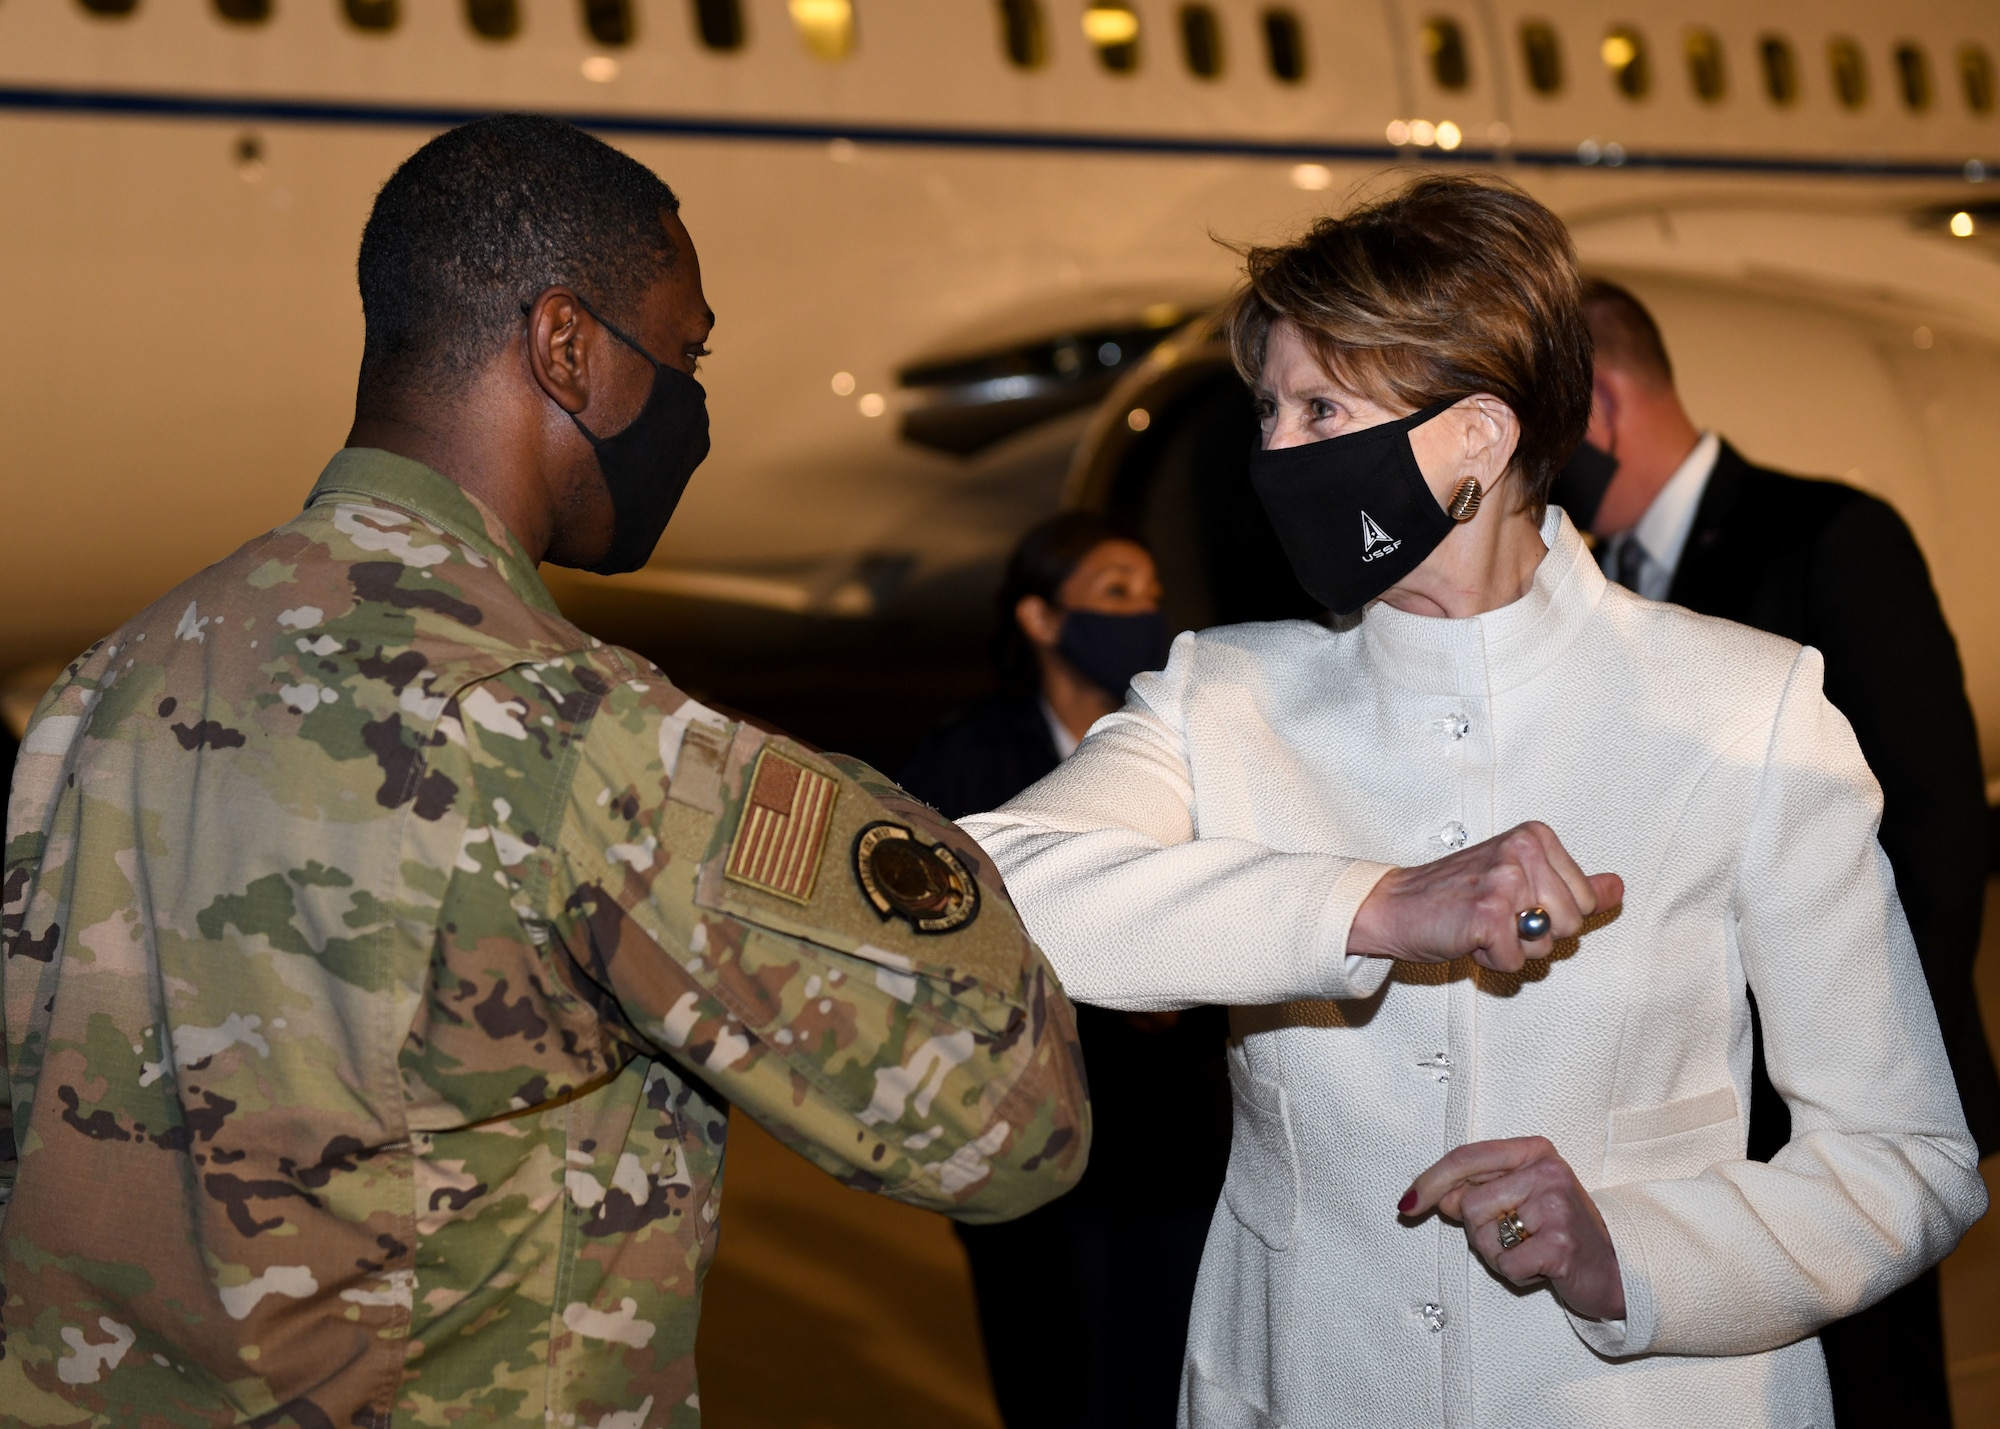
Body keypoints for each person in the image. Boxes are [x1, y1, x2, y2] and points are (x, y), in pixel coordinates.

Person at [0, 115, 1087, 1424]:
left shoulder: (100, 687)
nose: (689, 404)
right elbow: (1012, 1126)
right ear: (567, 346)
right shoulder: (579, 737)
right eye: (684, 355)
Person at [962, 175, 1989, 1427]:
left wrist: (1632, 1254)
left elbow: (1906, 1159)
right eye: (1268, 411)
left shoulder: (1744, 707)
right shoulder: (1218, 695)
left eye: (1320, 408)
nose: (1273, 453)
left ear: (1478, 439)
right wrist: (1372, 908)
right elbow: (991, 886)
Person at [1555, 278, 1999, 1427]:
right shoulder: (1591, 592)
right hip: (1684, 1112)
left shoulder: (1828, 537)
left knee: (1869, 1389)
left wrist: (1861, 1072)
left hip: (1823, 1110)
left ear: (1597, 403)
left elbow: (1932, 830)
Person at [901, 513, 1230, 1429]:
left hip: (1169, 1136)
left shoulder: (1188, 751)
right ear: (1041, 618)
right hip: (1027, 1140)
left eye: (1153, 594)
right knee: (1054, 1374)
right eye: (1116, 592)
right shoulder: (964, 758)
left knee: (1172, 1371)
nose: (1146, 612)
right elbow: (922, 943)